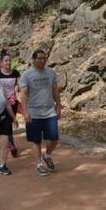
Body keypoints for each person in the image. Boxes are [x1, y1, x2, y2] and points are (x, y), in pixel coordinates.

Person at [19, 49, 61, 177]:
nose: (43, 61)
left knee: (54, 138)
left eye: (44, 58)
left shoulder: (51, 72)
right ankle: (39, 164)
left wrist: (59, 106)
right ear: (33, 59)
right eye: (40, 58)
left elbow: (55, 90)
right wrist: (25, 112)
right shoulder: (26, 75)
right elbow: (24, 94)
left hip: (49, 111)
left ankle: (47, 155)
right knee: (36, 141)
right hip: (34, 112)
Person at [0, 53, 22, 157]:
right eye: (6, 61)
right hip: (0, 102)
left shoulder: (15, 73)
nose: (8, 62)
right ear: (1, 62)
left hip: (12, 102)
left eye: (9, 60)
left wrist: (19, 89)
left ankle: (9, 143)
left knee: (9, 123)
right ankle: (11, 145)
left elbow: (21, 85)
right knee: (5, 124)